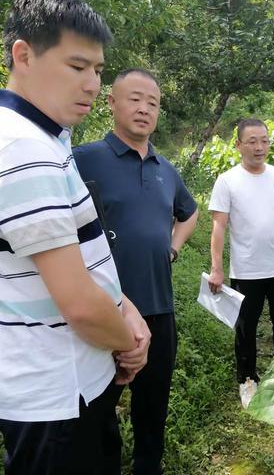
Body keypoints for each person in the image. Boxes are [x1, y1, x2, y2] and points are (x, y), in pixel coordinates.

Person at [0, 0, 151, 475]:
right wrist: (127, 339)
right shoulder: (23, 147)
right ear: (23, 55)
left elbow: (81, 260)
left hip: (72, 386)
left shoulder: (48, 138)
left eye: (98, 69)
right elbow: (81, 305)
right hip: (54, 400)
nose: (92, 84)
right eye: (77, 66)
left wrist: (125, 306)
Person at [73, 68, 199, 475]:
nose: (144, 109)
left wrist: (173, 248)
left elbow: (190, 212)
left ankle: (149, 467)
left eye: (153, 102)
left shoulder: (166, 169)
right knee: (94, 412)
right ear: (111, 102)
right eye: (135, 99)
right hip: (101, 310)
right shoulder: (83, 159)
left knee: (153, 405)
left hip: (159, 308)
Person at [208, 118, 274, 408]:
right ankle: (247, 379)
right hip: (246, 270)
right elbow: (219, 227)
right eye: (252, 141)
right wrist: (217, 268)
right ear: (239, 144)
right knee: (246, 328)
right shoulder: (227, 180)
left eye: (264, 140)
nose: (259, 147)